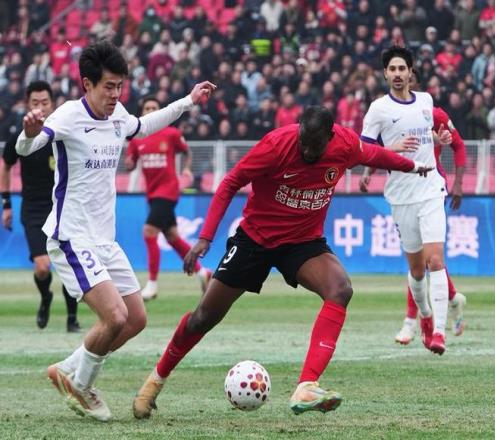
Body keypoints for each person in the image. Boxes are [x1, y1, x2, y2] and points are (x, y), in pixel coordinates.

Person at [132, 105, 433, 419]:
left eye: (314, 146)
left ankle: (307, 385)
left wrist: (413, 166)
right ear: (298, 129)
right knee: (203, 317)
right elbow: (231, 182)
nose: (307, 151)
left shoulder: (345, 144)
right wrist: (206, 238)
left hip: (302, 242)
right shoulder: (275, 145)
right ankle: (154, 383)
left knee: (340, 289)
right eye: (303, 142)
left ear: (330, 137)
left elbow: (375, 155)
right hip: (256, 239)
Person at [15, 40, 215, 422]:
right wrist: (27, 133)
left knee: (136, 318)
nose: (115, 94)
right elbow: (29, 147)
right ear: (87, 83)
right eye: (109, 86)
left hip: (103, 239)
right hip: (71, 237)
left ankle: (69, 368)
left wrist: (188, 101)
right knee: (116, 317)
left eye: (120, 86)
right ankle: (82, 385)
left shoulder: (118, 114)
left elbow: (145, 124)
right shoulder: (68, 115)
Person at [359, 68, 467, 345]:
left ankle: (420, 324)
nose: (404, 82)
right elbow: (376, 149)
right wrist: (369, 172)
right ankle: (449, 301)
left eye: (408, 77)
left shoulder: (432, 110)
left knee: (434, 259)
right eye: (395, 73)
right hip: (402, 193)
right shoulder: (386, 112)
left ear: (413, 81)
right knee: (419, 266)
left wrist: (458, 183)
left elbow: (458, 145)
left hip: (431, 188)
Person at [1, 80, 80, 332]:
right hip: (33, 209)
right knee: (43, 267)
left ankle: (72, 319)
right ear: (28, 105)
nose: (40, 107)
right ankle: (46, 297)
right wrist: (6, 203)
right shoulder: (21, 136)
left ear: (52, 103)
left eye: (45, 102)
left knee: (69, 265)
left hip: (63, 207)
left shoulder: (63, 132)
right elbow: (6, 165)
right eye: (35, 102)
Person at [125, 96, 212, 300]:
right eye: (147, 108)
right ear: (142, 112)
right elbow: (130, 164)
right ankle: (203, 272)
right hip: (152, 194)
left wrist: (187, 169)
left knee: (149, 231)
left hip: (168, 191)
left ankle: (152, 284)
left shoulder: (171, 134)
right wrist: (129, 164)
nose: (151, 111)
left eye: (154, 108)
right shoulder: (136, 138)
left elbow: (187, 152)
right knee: (172, 237)